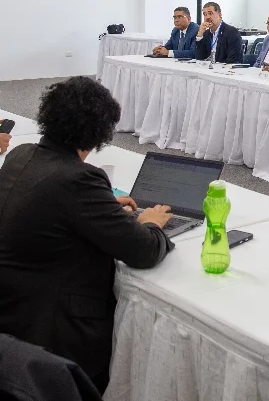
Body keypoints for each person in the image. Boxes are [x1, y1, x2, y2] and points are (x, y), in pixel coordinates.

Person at [0, 77, 174, 394]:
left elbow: (50, 204)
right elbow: (144, 251)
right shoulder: (80, 179)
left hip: (12, 309)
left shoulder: (20, 154)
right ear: (100, 133)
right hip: (56, 329)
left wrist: (102, 208)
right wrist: (150, 222)